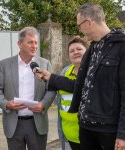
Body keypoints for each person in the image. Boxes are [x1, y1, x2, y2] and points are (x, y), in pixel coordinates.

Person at [37, 3, 125, 150]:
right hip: (85, 129)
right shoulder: (92, 49)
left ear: (89, 22)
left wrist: (122, 134)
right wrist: (50, 77)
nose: (79, 29)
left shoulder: (121, 46)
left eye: (79, 25)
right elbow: (78, 85)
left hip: (108, 131)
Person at [0, 27, 56, 150]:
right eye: (30, 42)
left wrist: (43, 104)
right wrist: (6, 104)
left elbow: (51, 89)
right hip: (13, 124)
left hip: (37, 123)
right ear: (19, 44)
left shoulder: (44, 64)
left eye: (36, 42)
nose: (34, 46)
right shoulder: (4, 65)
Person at [57, 36, 88, 150]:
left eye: (79, 49)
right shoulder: (64, 72)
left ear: (87, 51)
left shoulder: (94, 72)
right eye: (72, 51)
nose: (75, 52)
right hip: (68, 136)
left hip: (90, 137)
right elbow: (60, 103)